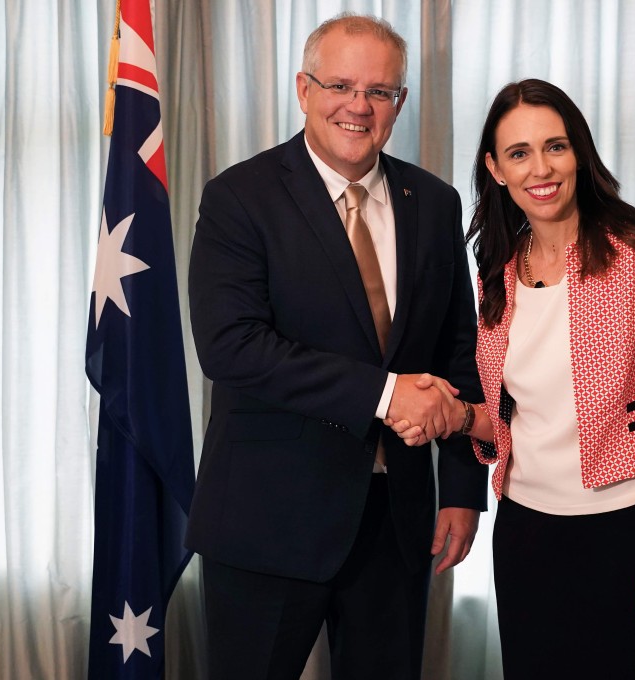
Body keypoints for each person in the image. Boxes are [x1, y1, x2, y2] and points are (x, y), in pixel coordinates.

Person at [185, 14, 487, 679]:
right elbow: (232, 347)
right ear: (303, 88)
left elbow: (458, 348)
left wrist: (465, 486)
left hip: (394, 523)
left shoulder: (433, 203)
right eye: (340, 84)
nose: (358, 105)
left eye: (379, 91)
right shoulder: (240, 197)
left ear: (399, 103)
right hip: (266, 522)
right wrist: (386, 395)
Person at [392, 79, 635, 679]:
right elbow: (515, 418)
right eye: (518, 153)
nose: (540, 168)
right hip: (526, 537)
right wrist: (457, 414)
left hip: (629, 535)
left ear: (579, 153)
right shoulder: (499, 273)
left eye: (555, 147)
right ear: (495, 168)